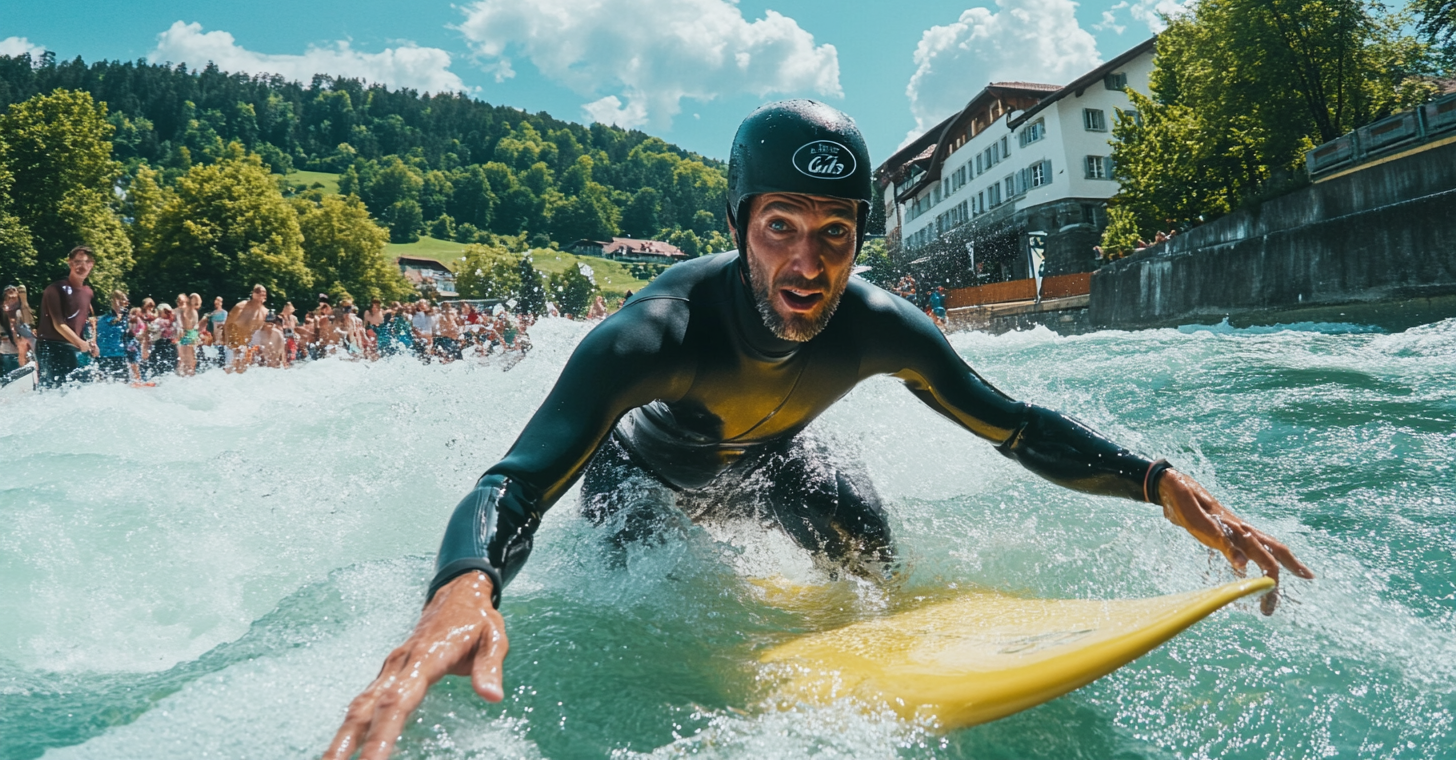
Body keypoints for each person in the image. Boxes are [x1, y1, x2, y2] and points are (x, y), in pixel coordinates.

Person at [327, 101, 1314, 759]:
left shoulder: (878, 328)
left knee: (873, 556)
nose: (808, 262)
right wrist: (460, 592)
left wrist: (1157, 482)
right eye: (780, 228)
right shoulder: (654, 336)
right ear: (739, 225)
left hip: (775, 462)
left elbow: (1011, 426)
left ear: (858, 239)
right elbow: (519, 477)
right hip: (644, 478)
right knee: (635, 576)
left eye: (834, 233)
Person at [34, 246, 98, 389]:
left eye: (86, 262)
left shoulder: (88, 292)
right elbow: (58, 324)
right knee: (55, 393)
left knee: (77, 392)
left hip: (71, 348)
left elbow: (80, 324)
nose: (81, 266)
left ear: (91, 265)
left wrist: (91, 344)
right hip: (50, 347)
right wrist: (81, 343)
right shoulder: (55, 289)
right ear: (70, 263)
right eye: (77, 262)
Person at [224, 285, 269, 373]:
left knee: (243, 371)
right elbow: (228, 324)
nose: (261, 294)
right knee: (230, 371)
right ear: (253, 294)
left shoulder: (265, 312)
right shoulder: (241, 307)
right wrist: (227, 340)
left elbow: (263, 332)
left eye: (263, 292)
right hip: (233, 341)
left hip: (248, 345)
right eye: (258, 292)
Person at [95, 290, 131, 382]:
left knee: (123, 384)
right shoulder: (105, 319)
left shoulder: (126, 318)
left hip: (119, 355)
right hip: (105, 356)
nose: (126, 301)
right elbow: (115, 295)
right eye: (123, 299)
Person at [177, 292, 201, 376]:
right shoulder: (187, 310)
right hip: (188, 335)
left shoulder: (191, 310)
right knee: (188, 361)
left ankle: (185, 376)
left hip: (191, 335)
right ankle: (185, 376)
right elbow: (187, 324)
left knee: (188, 361)